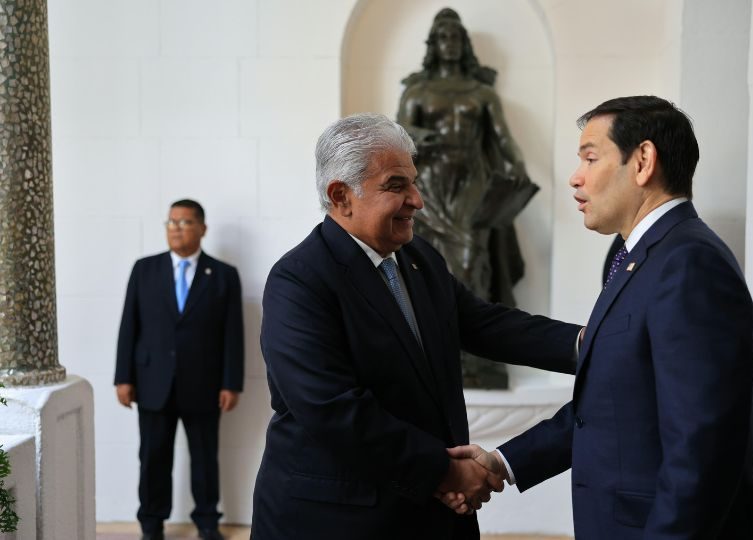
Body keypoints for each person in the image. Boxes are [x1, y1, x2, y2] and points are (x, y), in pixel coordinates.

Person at [445, 96, 753, 539]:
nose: (575, 177)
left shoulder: (690, 264)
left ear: (642, 161)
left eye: (590, 158)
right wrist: (504, 461)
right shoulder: (631, 257)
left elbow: (703, 451)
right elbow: (612, 403)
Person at [250, 113, 580, 539]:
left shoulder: (418, 257)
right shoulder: (299, 280)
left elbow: (485, 324)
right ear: (341, 196)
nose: (418, 200)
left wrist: (585, 342)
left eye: (414, 182)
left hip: (426, 513)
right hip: (339, 520)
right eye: (396, 185)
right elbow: (333, 409)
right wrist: (446, 471)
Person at [397, 8, 537, 388]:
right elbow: (399, 137)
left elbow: (503, 138)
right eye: (444, 38)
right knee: (428, 266)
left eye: (456, 38)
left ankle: (475, 353)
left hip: (472, 182)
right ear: (434, 45)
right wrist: (419, 138)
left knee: (473, 261)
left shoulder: (483, 94)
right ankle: (437, 348)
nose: (451, 44)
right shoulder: (417, 92)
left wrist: (520, 167)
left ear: (464, 45)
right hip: (430, 183)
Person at [114, 199, 244, 540]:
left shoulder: (223, 275)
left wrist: (232, 383)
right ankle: (152, 524)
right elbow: (129, 326)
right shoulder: (145, 269)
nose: (176, 228)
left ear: (202, 228)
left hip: (204, 384)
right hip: (152, 383)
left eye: (185, 222)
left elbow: (233, 334)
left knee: (205, 458)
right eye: (171, 222)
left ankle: (206, 522)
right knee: (153, 458)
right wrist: (123, 378)